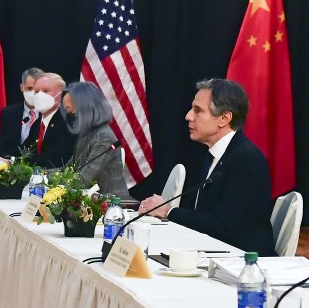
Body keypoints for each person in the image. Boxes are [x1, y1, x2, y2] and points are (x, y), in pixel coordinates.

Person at [138, 79, 275, 256]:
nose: (188, 116)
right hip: (211, 252)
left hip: (243, 262)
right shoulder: (213, 153)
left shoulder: (246, 160)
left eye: (198, 110)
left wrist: (168, 211)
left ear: (224, 119)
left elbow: (223, 226)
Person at [61, 82, 128, 200]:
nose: (70, 114)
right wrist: (38, 175)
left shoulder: (103, 136)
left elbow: (83, 179)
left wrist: (54, 183)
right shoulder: (86, 134)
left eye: (70, 109)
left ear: (85, 108)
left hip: (112, 205)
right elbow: (68, 169)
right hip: (88, 202)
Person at [25, 73, 76, 168]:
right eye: (36, 91)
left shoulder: (67, 122)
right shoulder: (37, 124)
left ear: (61, 96)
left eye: (45, 91)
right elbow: (24, 151)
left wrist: (14, 161)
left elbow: (54, 160)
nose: (39, 95)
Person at [0, 67, 43, 156]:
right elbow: (3, 147)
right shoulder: (8, 114)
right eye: (29, 88)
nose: (33, 93)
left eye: (37, 90)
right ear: (22, 87)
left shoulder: (49, 114)